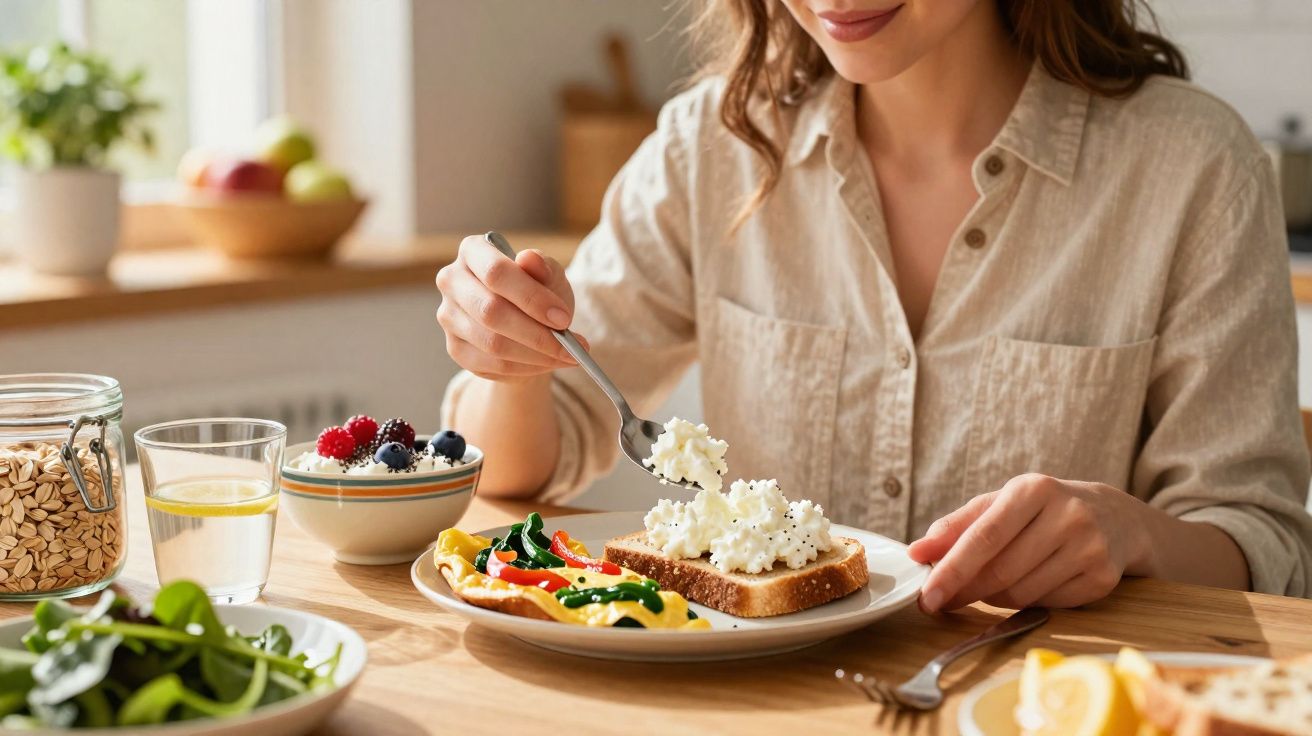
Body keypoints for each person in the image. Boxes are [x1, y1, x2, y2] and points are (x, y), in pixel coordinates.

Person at [435, 0, 1312, 611]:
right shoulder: (711, 147)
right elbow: (514, 471)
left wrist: (1134, 536)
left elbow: (1265, 548)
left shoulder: (1194, 167)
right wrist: (508, 361)